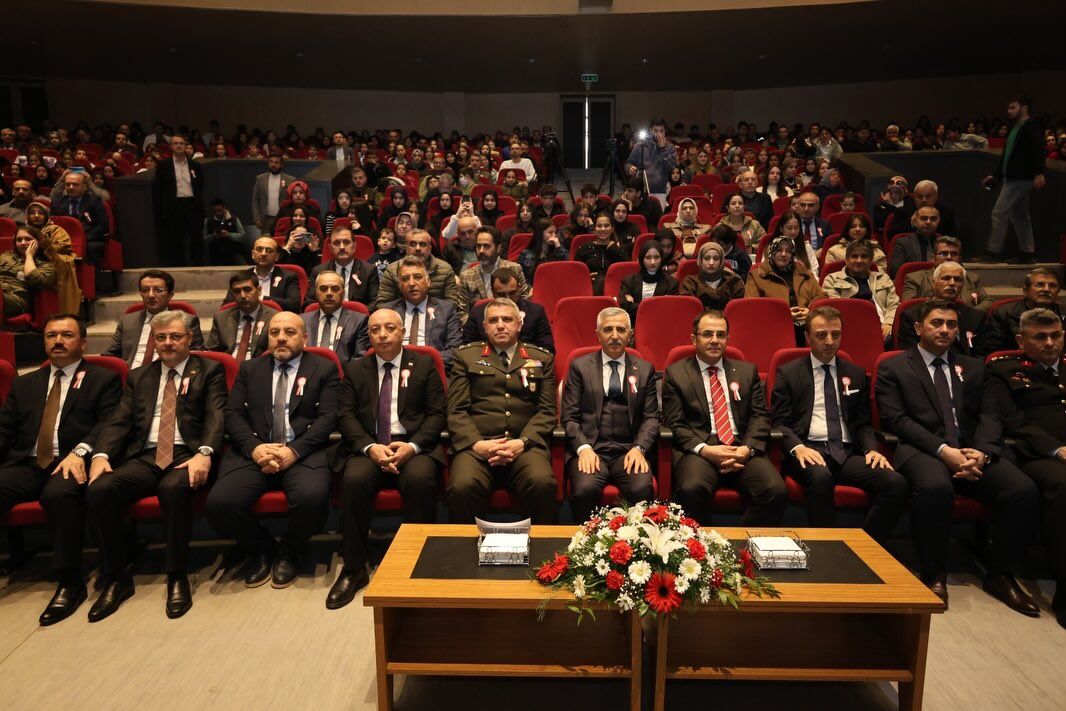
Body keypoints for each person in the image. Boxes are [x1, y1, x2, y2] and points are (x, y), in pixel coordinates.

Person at [875, 299, 1040, 611]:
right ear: (918, 328)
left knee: (1022, 490)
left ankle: (1001, 574)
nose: (945, 330)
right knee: (936, 488)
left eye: (951, 324)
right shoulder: (894, 366)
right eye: (937, 323)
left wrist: (981, 453)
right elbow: (897, 420)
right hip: (923, 449)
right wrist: (944, 451)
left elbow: (991, 415)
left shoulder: (975, 366)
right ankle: (934, 572)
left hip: (973, 449)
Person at [85, 310, 227, 621]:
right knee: (100, 490)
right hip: (146, 455)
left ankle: (176, 574)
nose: (168, 343)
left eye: (175, 336)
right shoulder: (140, 376)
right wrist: (101, 455)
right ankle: (117, 576)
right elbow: (119, 420)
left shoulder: (210, 370)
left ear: (190, 338)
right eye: (161, 337)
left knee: (172, 489)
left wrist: (205, 452)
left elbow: (217, 416)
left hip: (186, 453)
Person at [0, 315, 122, 626]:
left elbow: (108, 425)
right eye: (51, 335)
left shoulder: (102, 379)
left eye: (66, 335)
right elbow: (5, 429)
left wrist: (81, 451)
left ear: (83, 343)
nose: (57, 341)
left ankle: (70, 581)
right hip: (27, 462)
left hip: (72, 461)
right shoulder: (24, 383)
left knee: (59, 495)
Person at [207, 312, 340, 589]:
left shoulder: (323, 368)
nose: (281, 337)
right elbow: (232, 414)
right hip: (257, 450)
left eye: (290, 332)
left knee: (313, 498)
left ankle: (290, 551)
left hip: (302, 450)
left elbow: (328, 418)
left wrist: (294, 451)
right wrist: (254, 448)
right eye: (275, 332)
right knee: (221, 503)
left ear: (304, 338)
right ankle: (262, 549)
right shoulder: (250, 369)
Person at [329, 309, 446, 608]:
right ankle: (354, 568)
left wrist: (414, 446)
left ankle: (419, 561)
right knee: (353, 480)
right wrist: (370, 447)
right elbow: (345, 415)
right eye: (376, 329)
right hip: (370, 445)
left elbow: (437, 414)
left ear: (402, 331)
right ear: (368, 335)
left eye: (389, 328)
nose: (382, 334)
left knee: (420, 480)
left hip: (413, 444)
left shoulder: (424, 365)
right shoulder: (356, 369)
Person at [771, 307, 907, 540]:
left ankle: (865, 547)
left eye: (835, 334)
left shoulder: (854, 373)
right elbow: (780, 422)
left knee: (896, 483)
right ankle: (827, 549)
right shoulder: (789, 373)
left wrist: (871, 450)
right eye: (821, 335)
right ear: (808, 337)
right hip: (808, 449)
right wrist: (797, 447)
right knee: (821, 477)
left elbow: (863, 423)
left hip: (846, 452)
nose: (829, 341)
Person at [662, 309, 787, 525]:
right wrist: (706, 450)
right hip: (700, 448)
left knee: (775, 490)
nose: (714, 340)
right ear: (694, 339)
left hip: (740, 446)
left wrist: (746, 449)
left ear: (727, 338)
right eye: (707, 334)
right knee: (691, 490)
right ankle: (705, 550)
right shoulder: (676, 373)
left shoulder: (747, 371)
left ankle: (738, 548)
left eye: (721, 335)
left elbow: (760, 416)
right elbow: (675, 423)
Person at [988, 308, 1066, 628]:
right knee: (1064, 486)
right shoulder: (1004, 369)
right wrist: (1057, 448)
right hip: (1036, 455)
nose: (1050, 343)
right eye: (1041, 337)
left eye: (1056, 335)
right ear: (1021, 340)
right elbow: (1014, 421)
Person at [447, 298, 556, 522]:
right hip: (477, 446)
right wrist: (477, 444)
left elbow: (546, 411)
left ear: (519, 324)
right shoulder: (466, 356)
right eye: (493, 320)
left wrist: (522, 442)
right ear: (484, 327)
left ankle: (544, 556)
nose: (500, 325)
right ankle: (464, 554)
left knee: (542, 482)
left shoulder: (540, 358)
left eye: (507, 319)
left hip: (525, 446)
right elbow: (457, 410)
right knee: (462, 486)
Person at [561, 308, 658, 522]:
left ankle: (637, 548)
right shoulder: (580, 366)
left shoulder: (644, 369)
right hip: (592, 448)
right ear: (598, 334)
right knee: (584, 489)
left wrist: (639, 448)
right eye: (608, 329)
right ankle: (584, 548)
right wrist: (583, 448)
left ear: (630, 335)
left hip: (629, 449)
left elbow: (651, 417)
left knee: (641, 487)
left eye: (621, 329)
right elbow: (569, 417)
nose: (614, 335)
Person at [978, 95, 1046, 263]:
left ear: (1024, 108)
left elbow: (1038, 148)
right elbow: (1007, 157)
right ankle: (1027, 253)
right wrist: (996, 175)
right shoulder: (1015, 128)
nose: (1009, 111)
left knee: (999, 213)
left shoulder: (1031, 126)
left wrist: (1039, 172)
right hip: (1014, 177)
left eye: (1013, 107)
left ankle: (993, 252)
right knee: (1019, 215)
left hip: (1021, 178)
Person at [104, 269, 206, 366]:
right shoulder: (127, 321)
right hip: (130, 375)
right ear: (141, 294)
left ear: (170, 295)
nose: (151, 295)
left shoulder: (187, 321)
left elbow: (196, 357)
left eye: (158, 290)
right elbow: (109, 356)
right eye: (145, 290)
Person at [377, 256, 462, 366]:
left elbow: (454, 350)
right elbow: (378, 348)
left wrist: (420, 365)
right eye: (405, 279)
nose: (411, 283)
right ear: (399, 285)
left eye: (417, 277)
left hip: (433, 370)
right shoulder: (387, 311)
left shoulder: (446, 310)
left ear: (428, 282)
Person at [896, 262, 986, 355]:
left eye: (958, 279)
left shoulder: (976, 317)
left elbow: (980, 356)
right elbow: (910, 356)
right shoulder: (911, 315)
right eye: (946, 278)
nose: (952, 283)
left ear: (963, 285)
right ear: (933, 282)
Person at [745, 235, 826, 335]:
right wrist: (784, 315)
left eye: (788, 251)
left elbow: (822, 298)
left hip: (806, 327)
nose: (784, 254)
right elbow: (752, 308)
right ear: (772, 252)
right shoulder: (756, 275)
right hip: (772, 329)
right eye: (779, 250)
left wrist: (810, 311)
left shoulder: (805, 274)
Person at [822, 240, 898, 342]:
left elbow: (893, 304)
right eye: (854, 256)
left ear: (871, 260)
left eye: (864, 256)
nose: (859, 260)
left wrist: (889, 323)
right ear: (846, 259)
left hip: (882, 326)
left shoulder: (883, 278)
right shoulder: (832, 279)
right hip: (848, 327)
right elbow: (835, 308)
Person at [462, 268, 554, 352]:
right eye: (501, 294)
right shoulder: (477, 313)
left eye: (512, 293)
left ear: (520, 288)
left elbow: (547, 348)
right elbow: (466, 347)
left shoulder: (536, 312)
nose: (508, 299)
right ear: (492, 292)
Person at [983, 268, 1066, 353]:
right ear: (1026, 290)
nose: (1046, 289)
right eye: (1040, 285)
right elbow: (990, 351)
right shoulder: (1003, 313)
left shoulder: (1064, 313)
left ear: (1058, 292)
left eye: (1052, 286)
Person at [457, 225, 528, 324]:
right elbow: (462, 313)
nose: (481, 251)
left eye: (486, 246)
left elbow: (525, 302)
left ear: (498, 249)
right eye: (478, 246)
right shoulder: (466, 276)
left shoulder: (515, 269)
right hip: (479, 329)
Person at [151, 135, 204, 265]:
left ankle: (198, 267)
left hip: (192, 204)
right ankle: (178, 267)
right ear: (171, 146)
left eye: (181, 143)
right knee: (176, 240)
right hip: (174, 206)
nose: (179, 146)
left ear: (185, 146)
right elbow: (159, 189)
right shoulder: (164, 165)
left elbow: (200, 185)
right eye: (176, 143)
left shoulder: (195, 165)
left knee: (196, 239)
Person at [901, 236, 992, 310]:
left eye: (954, 254)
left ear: (959, 258)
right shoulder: (915, 278)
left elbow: (988, 301)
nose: (949, 257)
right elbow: (910, 307)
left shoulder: (971, 278)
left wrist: (971, 314)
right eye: (943, 253)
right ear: (933, 258)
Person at [374, 229, 458, 308]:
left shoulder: (445, 269)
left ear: (430, 248)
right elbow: (383, 304)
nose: (418, 248)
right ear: (406, 248)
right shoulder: (392, 270)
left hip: (437, 317)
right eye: (412, 244)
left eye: (423, 244)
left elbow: (452, 304)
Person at [208, 272, 280, 361]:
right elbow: (212, 351)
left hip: (260, 366)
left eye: (247, 289)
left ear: (259, 290)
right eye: (237, 291)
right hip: (227, 367)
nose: (242, 296)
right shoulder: (221, 317)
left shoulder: (274, 317)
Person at [300, 271, 369, 360]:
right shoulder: (301, 320)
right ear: (316, 293)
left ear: (343, 293)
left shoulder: (359, 321)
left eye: (335, 288)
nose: (329, 293)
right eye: (323, 288)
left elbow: (359, 359)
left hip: (343, 372)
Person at [223, 237, 301, 312]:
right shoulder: (241, 277)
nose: (263, 254)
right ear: (253, 254)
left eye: (269, 250)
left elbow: (295, 305)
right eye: (259, 249)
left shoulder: (289, 276)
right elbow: (227, 305)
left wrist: (261, 298)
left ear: (277, 256)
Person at [309, 226, 379, 307]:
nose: (341, 247)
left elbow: (374, 303)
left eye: (346, 242)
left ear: (354, 246)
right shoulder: (318, 271)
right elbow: (309, 303)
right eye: (336, 243)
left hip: (358, 318)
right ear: (330, 248)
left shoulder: (369, 271)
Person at [51, 170, 108, 266]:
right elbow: (52, 225)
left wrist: (84, 238)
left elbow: (103, 226)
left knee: (94, 247)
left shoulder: (94, 201)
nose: (71, 187)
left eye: (75, 184)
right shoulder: (57, 203)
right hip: (63, 239)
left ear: (85, 187)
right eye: (68, 184)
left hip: (88, 238)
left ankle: (91, 279)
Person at [0, 225, 56, 318]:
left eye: (27, 239)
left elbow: (33, 279)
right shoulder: (6, 256)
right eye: (19, 240)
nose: (23, 243)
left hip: (18, 299)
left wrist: (29, 256)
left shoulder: (45, 264)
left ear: (38, 241)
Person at [618, 240, 678, 321]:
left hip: (661, 323)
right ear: (642, 259)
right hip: (634, 324)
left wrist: (635, 305)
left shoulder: (672, 283)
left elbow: (669, 310)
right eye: (648, 257)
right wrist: (658, 306)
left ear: (662, 259)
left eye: (656, 257)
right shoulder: (628, 281)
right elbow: (625, 307)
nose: (652, 262)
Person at [679, 240, 744, 311]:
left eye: (716, 259)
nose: (711, 263)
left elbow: (737, 311)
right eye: (706, 258)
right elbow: (688, 310)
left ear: (721, 261)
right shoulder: (690, 283)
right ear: (700, 261)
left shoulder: (734, 282)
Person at [625, 118, 678, 204]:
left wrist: (662, 148)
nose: (659, 134)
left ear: (665, 131)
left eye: (661, 131)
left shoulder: (670, 148)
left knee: (658, 217)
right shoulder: (640, 146)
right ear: (650, 131)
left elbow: (672, 167)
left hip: (660, 191)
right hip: (641, 192)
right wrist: (629, 168)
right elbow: (628, 163)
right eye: (656, 131)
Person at [820, 213, 887, 272]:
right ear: (848, 230)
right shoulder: (834, 251)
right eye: (853, 227)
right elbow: (829, 276)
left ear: (867, 230)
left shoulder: (878, 253)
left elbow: (881, 278)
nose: (858, 229)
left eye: (861, 226)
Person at [888, 206, 941, 277]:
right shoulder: (903, 242)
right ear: (915, 222)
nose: (928, 222)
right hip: (911, 284)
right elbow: (897, 272)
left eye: (933, 219)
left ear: (938, 221)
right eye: (924, 218)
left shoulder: (945, 243)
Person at [517, 217, 569, 286]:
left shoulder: (557, 251)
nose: (554, 235)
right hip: (533, 289)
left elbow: (567, 265)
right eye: (550, 232)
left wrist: (558, 246)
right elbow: (521, 279)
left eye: (555, 232)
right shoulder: (526, 254)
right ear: (540, 234)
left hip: (554, 287)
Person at [203, 198, 250, 266]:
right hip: (215, 253)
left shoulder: (234, 219)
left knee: (245, 269)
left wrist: (228, 235)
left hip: (234, 252)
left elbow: (243, 236)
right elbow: (204, 239)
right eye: (215, 211)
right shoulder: (208, 221)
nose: (217, 213)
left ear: (224, 208)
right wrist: (213, 236)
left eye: (219, 210)